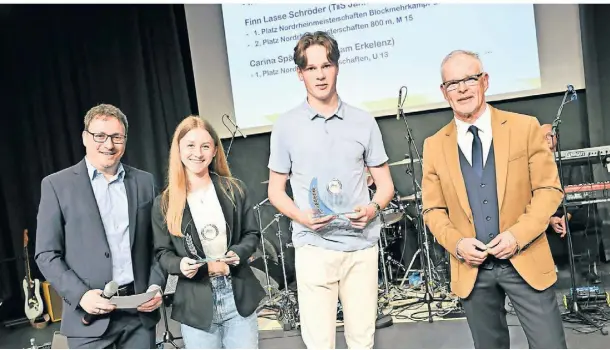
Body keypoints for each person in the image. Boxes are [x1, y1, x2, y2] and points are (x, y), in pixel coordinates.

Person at [421, 50, 567, 348]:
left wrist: (517, 236)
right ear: (443, 91)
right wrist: (457, 245)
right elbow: (433, 210)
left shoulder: (524, 127)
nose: (462, 89)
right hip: (472, 271)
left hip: (525, 259)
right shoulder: (434, 146)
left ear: (484, 81)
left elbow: (549, 191)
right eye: (452, 83)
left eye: (469, 79)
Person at [267, 31, 395, 349]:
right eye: (311, 68)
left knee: (362, 341)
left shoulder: (364, 122)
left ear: (337, 67)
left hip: (361, 248)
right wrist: (303, 217)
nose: (320, 75)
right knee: (319, 344)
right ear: (300, 74)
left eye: (326, 65)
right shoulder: (286, 126)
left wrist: (372, 209)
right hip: (314, 248)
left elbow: (386, 186)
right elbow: (275, 191)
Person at [35, 104, 164, 349]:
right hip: (88, 320)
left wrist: (155, 286)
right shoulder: (56, 185)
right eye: (100, 136)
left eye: (117, 137)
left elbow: (159, 245)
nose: (109, 144)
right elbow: (46, 254)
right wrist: (81, 295)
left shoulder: (145, 182)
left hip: (138, 316)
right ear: (85, 137)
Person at [152, 116, 264, 349]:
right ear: (179, 150)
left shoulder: (234, 189)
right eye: (190, 145)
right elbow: (163, 253)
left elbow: (251, 234)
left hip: (237, 297)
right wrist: (179, 265)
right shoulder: (165, 202)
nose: (198, 153)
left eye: (205, 146)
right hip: (195, 303)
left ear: (214, 150)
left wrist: (237, 253)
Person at [541, 124, 601, 284]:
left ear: (556, 138)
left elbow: (578, 192)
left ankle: (586, 270)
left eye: (549, 135)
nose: (546, 139)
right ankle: (546, 270)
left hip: (570, 210)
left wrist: (567, 215)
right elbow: (530, 197)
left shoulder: (569, 162)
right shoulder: (532, 164)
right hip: (546, 213)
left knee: (593, 219)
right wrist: (549, 218)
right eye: (542, 136)